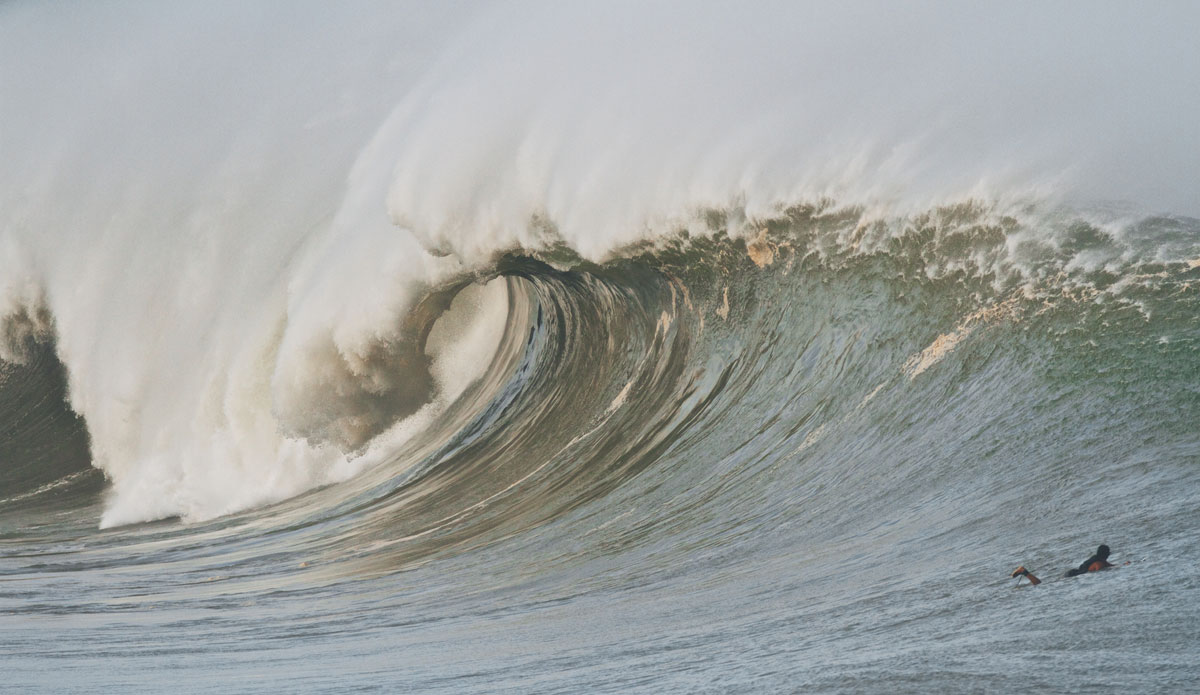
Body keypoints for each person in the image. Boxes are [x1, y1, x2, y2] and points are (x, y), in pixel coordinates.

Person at [1010, 543, 1124, 585]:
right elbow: (1101, 570)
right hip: (1071, 576)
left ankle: (1024, 572)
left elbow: (1111, 566)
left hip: (1071, 573)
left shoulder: (1099, 561)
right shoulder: (1099, 564)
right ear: (1106, 554)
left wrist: (1123, 564)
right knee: (1040, 584)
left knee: (1044, 583)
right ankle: (1024, 571)